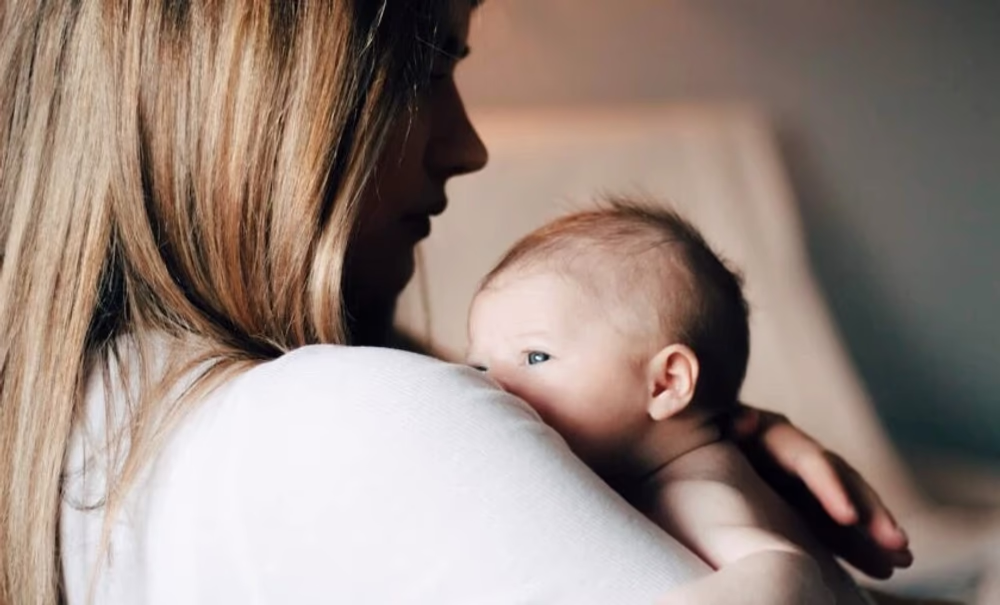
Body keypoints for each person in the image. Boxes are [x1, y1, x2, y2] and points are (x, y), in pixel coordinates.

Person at [0, 1, 912, 604]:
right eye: (428, 65)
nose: (467, 146)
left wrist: (699, 440)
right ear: (250, 93)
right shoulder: (354, 416)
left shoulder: (72, 432)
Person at [466, 200, 872, 603]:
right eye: (480, 368)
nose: (494, 386)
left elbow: (784, 568)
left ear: (665, 383)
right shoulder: (662, 469)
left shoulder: (693, 491)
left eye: (536, 357)